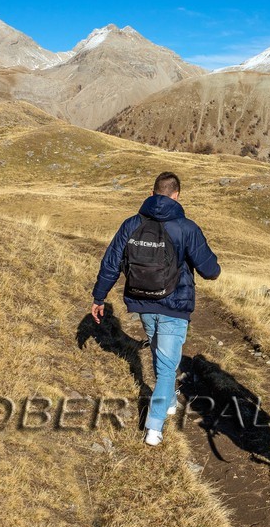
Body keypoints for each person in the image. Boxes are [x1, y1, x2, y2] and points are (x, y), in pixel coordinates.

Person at [92, 172, 220, 446]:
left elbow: (111, 262)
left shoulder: (131, 224)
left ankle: (169, 400)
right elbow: (210, 271)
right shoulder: (186, 228)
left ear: (152, 194)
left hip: (143, 302)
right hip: (175, 305)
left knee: (160, 355)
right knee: (166, 366)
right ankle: (154, 427)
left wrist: (99, 297)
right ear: (177, 196)